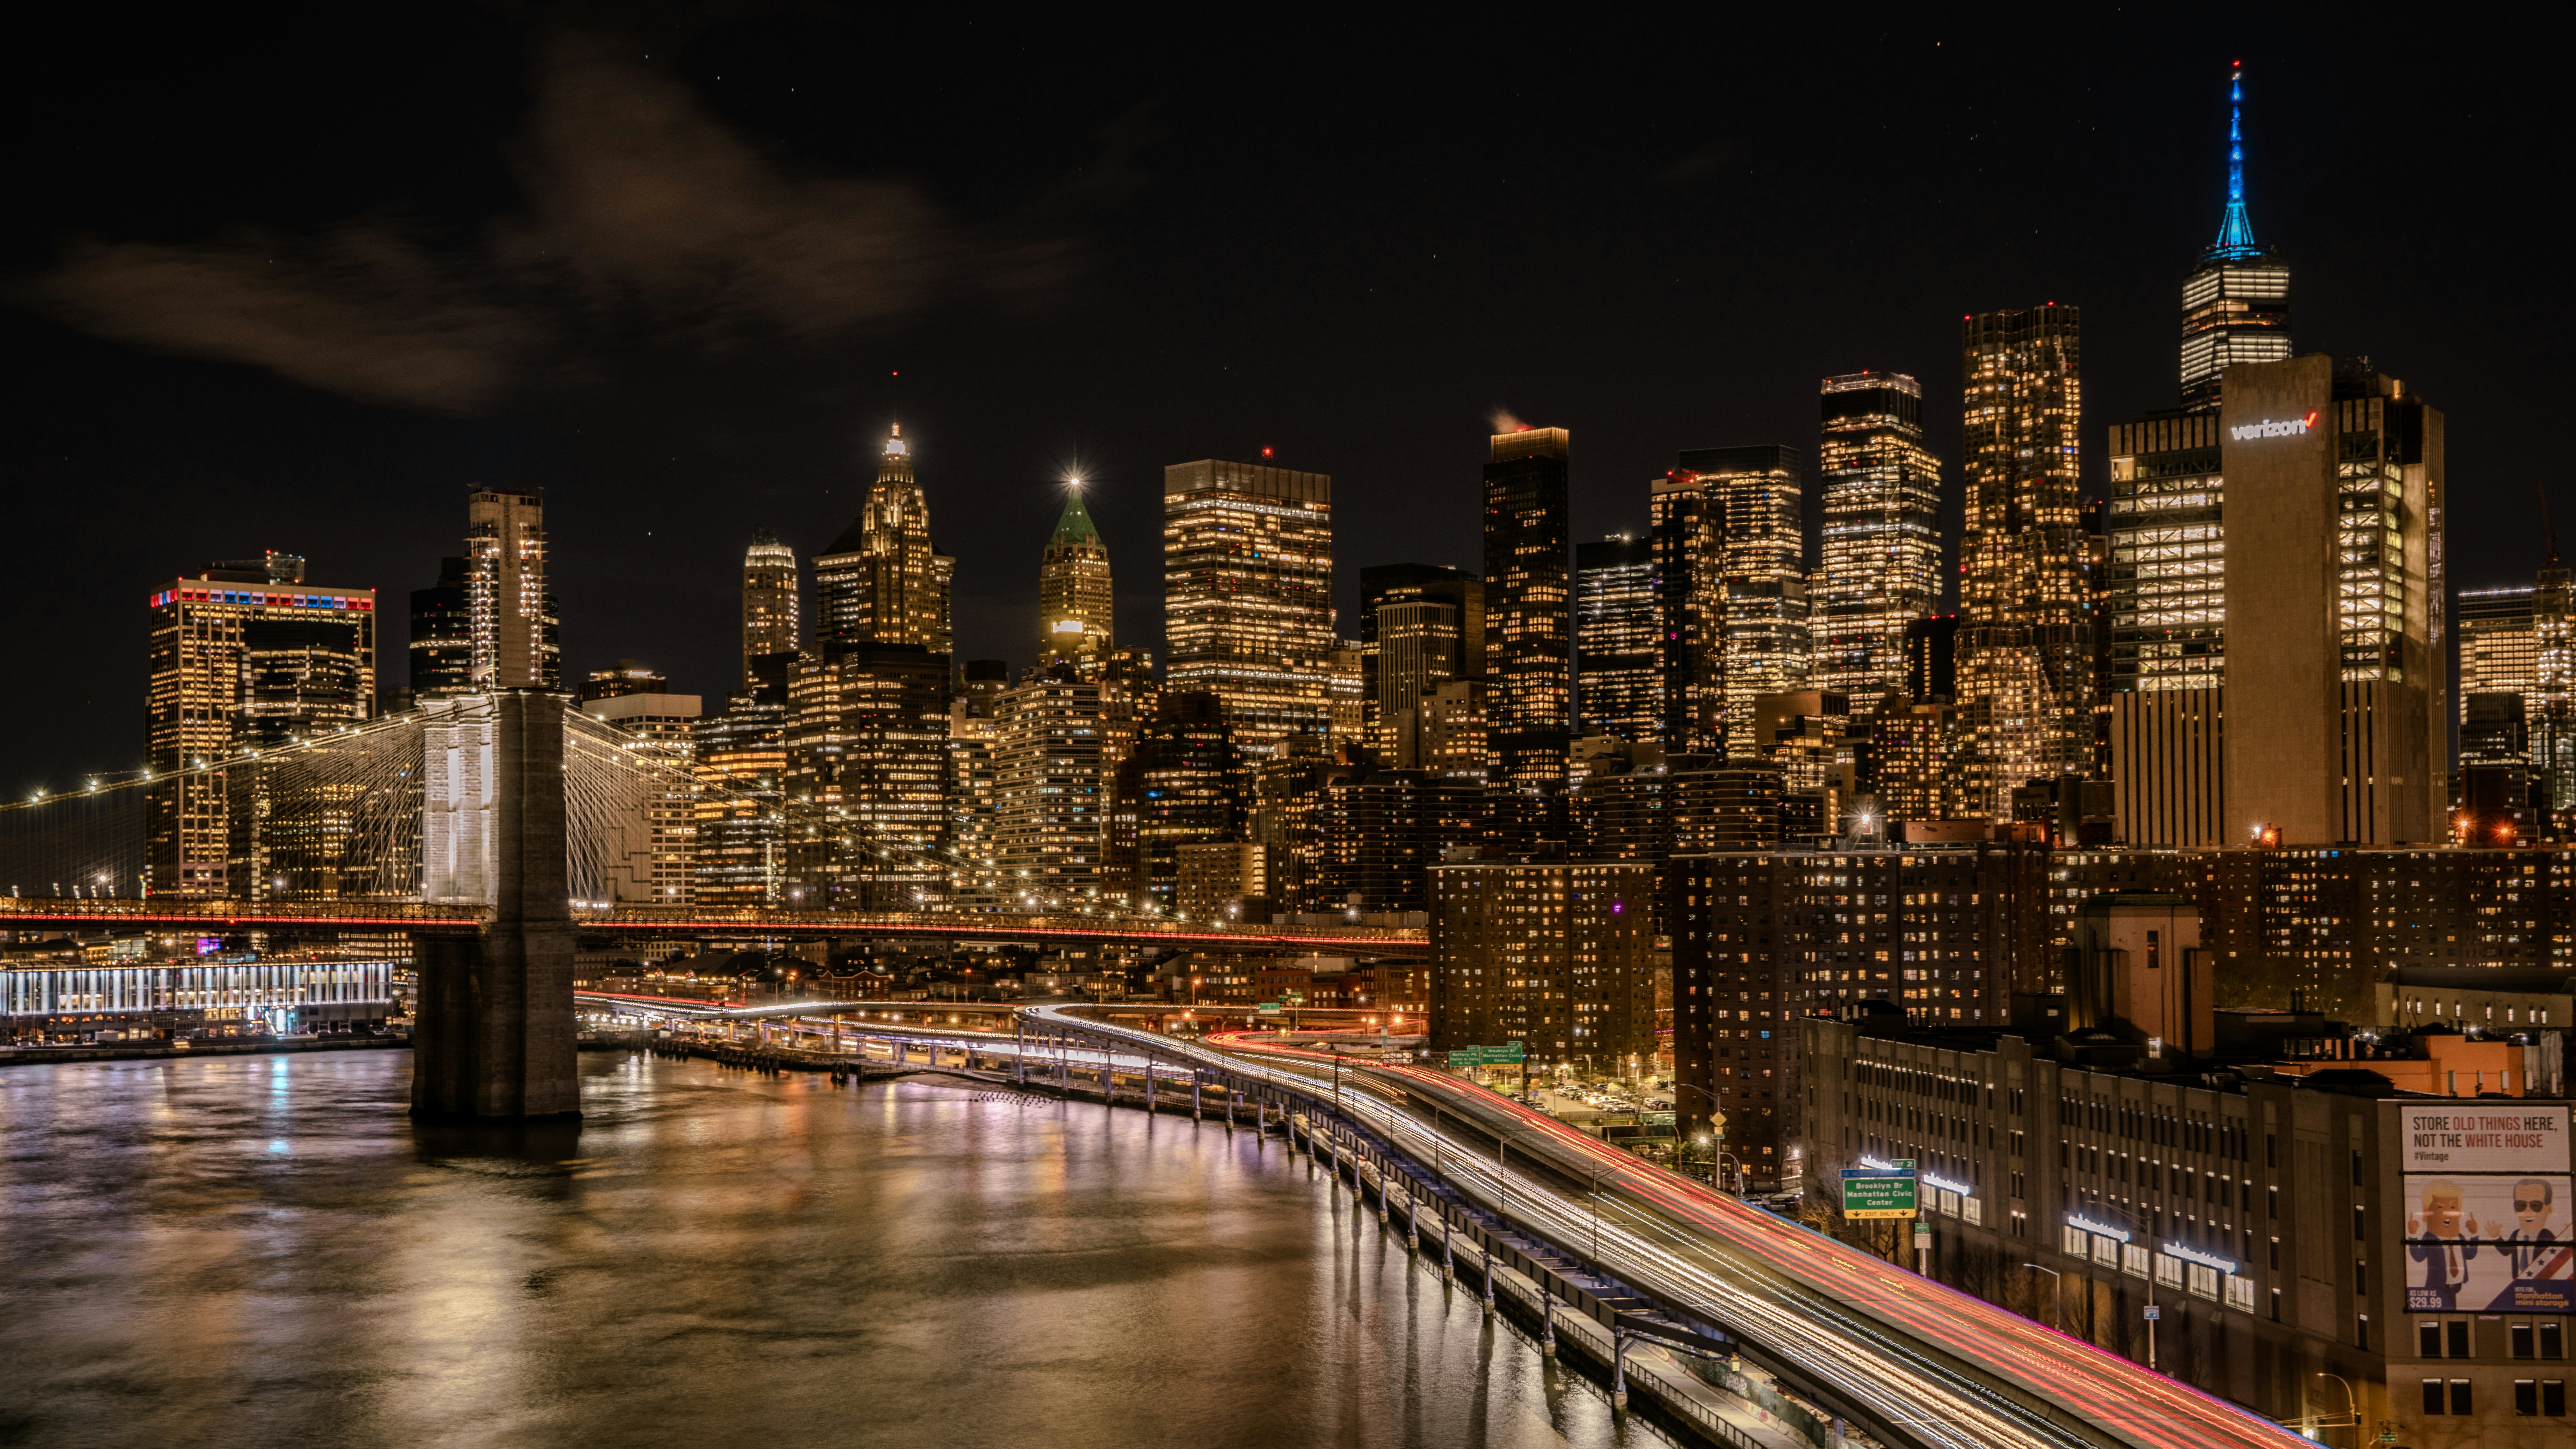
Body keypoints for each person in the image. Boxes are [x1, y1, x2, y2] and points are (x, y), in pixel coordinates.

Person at [2406, 1179, 2481, 1310]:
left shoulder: (2460, 1238)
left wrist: (2475, 1235)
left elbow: (2470, 1255)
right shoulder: (2429, 1238)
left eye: (2453, 1207)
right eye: (2440, 1207)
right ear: (2426, 1214)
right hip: (2438, 1288)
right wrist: (2412, 1235)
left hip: (2457, 1287)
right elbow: (2419, 1257)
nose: (2447, 1213)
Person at [2502, 1178, 2566, 1280]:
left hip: (2543, 1285)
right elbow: (2506, 1251)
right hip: (2519, 1285)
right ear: (2515, 1210)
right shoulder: (2516, 1235)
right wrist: (2496, 1237)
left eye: (2535, 1205)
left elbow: (2561, 1254)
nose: (2528, 1211)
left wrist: (2568, 1236)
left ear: (2549, 1209)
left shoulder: (2546, 1235)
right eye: (2521, 1205)